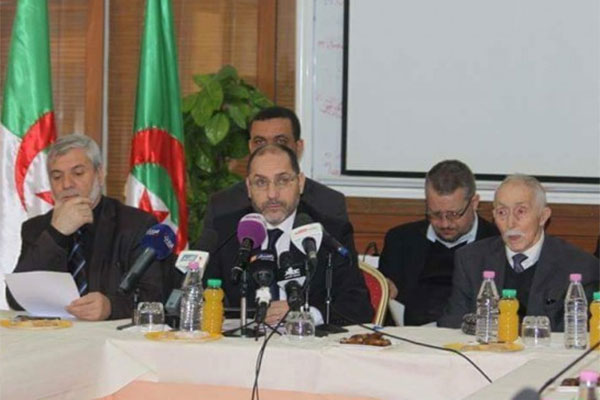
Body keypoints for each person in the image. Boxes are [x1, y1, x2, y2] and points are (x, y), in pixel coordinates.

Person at [202, 144, 373, 326]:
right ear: (249, 188)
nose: (272, 194)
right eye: (261, 182)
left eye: (282, 181)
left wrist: (305, 314)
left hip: (306, 341)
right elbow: (200, 295)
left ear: (300, 183)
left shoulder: (329, 232)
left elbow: (358, 307)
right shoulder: (227, 231)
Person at [6, 134, 165, 320]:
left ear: (99, 174)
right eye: (57, 177)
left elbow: (155, 296)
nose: (66, 184)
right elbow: (17, 299)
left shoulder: (137, 225)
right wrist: (56, 234)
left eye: (78, 173)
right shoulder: (36, 228)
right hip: (53, 333)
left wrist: (111, 306)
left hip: (110, 335)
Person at [438, 174, 599, 331]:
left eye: (521, 211)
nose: (511, 223)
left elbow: (580, 335)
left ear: (543, 217)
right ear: (494, 217)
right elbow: (452, 327)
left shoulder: (580, 266)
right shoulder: (471, 260)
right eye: (502, 212)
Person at [378, 160, 498, 325]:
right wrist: (383, 290)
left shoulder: (496, 242)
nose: (445, 224)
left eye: (454, 214)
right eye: (435, 214)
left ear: (474, 203)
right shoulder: (400, 241)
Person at [201, 106, 348, 239]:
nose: (270, 149)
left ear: (298, 147)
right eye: (260, 142)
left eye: (281, 141)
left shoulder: (329, 204)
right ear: (250, 147)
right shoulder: (223, 205)